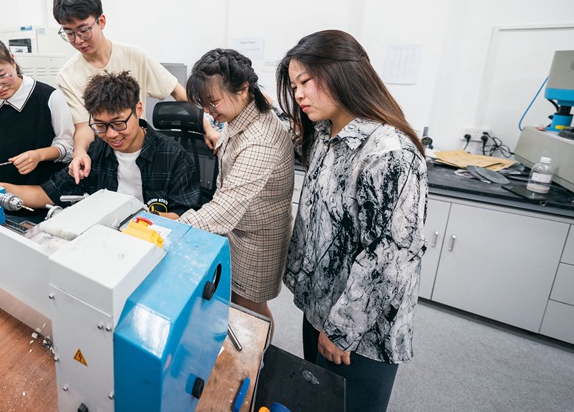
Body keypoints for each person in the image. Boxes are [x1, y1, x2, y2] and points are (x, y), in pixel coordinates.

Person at [276, 30, 428, 412]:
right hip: (322, 306)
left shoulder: (389, 153)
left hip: (361, 328)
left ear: (343, 73)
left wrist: (342, 330)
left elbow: (390, 259)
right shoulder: (326, 134)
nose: (299, 95)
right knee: (317, 401)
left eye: (306, 82)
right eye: (294, 86)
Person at [177, 49, 294, 333]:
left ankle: (259, 356)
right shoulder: (241, 113)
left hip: (258, 239)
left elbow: (225, 209)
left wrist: (177, 226)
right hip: (239, 227)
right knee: (234, 302)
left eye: (213, 102)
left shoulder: (260, 140)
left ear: (242, 89)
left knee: (251, 310)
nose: (208, 111)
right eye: (203, 104)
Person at [52, 0, 220, 182]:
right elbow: (83, 126)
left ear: (101, 21)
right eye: (69, 33)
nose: (78, 40)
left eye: (84, 30)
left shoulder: (135, 55)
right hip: (105, 157)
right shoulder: (68, 75)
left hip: (142, 152)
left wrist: (207, 128)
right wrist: (80, 152)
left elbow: (178, 92)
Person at [0, 71, 200, 218]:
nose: (111, 135)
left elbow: (184, 217)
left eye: (119, 123)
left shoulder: (173, 157)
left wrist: (130, 217)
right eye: (100, 125)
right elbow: (44, 194)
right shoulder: (94, 153)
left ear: (138, 109)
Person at [0, 32, 74, 191]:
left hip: (51, 190)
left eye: (1, 75)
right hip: (3, 192)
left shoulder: (49, 97)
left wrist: (39, 155)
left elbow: (68, 145)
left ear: (12, 61)